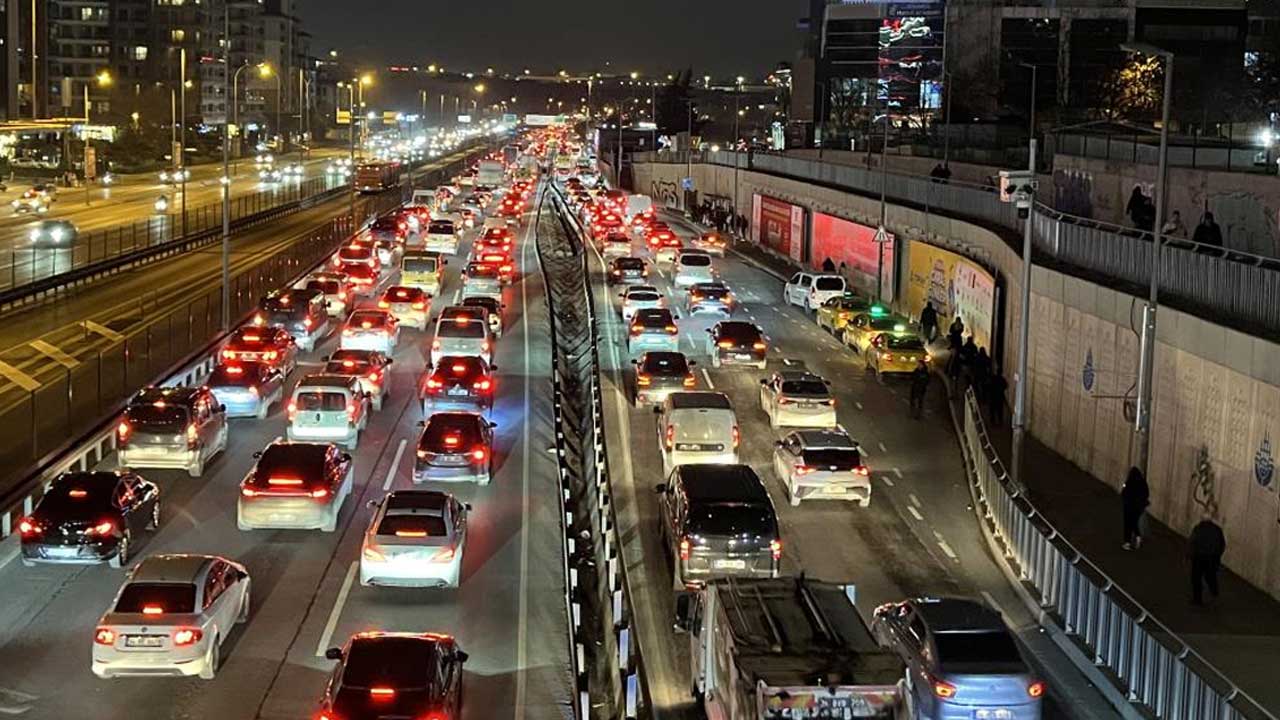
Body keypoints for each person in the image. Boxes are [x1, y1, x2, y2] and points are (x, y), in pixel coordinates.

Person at [1189, 516, 1226, 605]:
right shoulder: (1217, 529)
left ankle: (1197, 599)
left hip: (1199, 558)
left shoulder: (1198, 528)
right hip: (1212, 558)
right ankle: (1214, 593)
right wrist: (1217, 556)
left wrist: (1190, 555)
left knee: (1196, 578)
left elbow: (1192, 542)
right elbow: (1222, 544)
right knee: (1210, 577)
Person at [1120, 466, 1150, 550]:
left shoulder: (1129, 482)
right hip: (1138, 507)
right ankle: (1138, 536)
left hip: (1128, 506)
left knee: (1128, 524)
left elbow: (1124, 492)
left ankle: (1127, 542)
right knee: (1134, 522)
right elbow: (1146, 493)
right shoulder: (1143, 482)